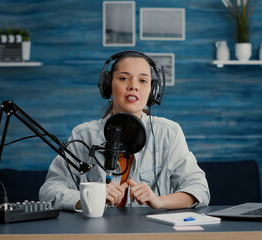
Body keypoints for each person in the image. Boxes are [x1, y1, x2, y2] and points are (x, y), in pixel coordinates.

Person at [39, 51, 209, 211]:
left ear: (152, 91)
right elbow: (49, 191)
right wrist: (89, 197)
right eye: (124, 78)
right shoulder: (83, 135)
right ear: (108, 86)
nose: (133, 86)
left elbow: (199, 189)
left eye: (143, 80)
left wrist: (160, 201)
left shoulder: (169, 133)